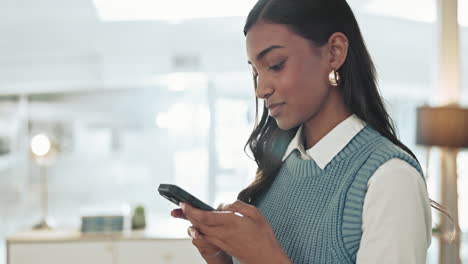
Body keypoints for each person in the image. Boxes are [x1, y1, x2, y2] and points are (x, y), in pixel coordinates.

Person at [170, 0, 434, 263]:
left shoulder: (391, 179)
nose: (260, 90)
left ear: (334, 52)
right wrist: (221, 257)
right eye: (255, 72)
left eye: (275, 65)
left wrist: (265, 258)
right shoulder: (282, 167)